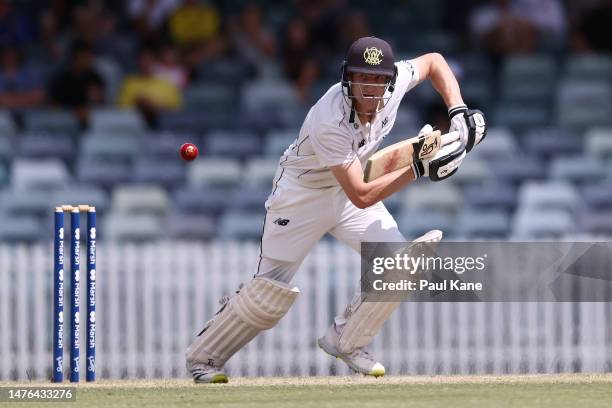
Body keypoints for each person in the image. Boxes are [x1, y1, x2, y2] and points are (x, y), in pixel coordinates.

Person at [185, 37, 487, 383]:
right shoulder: (329, 118)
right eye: (362, 78)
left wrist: (458, 112)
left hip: (347, 188)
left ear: (389, 79)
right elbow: (360, 194)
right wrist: (417, 169)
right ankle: (203, 358)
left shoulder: (396, 82)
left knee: (401, 262)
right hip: (301, 195)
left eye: (377, 79)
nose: (370, 87)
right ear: (347, 78)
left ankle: (347, 340)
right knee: (267, 294)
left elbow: (434, 61)